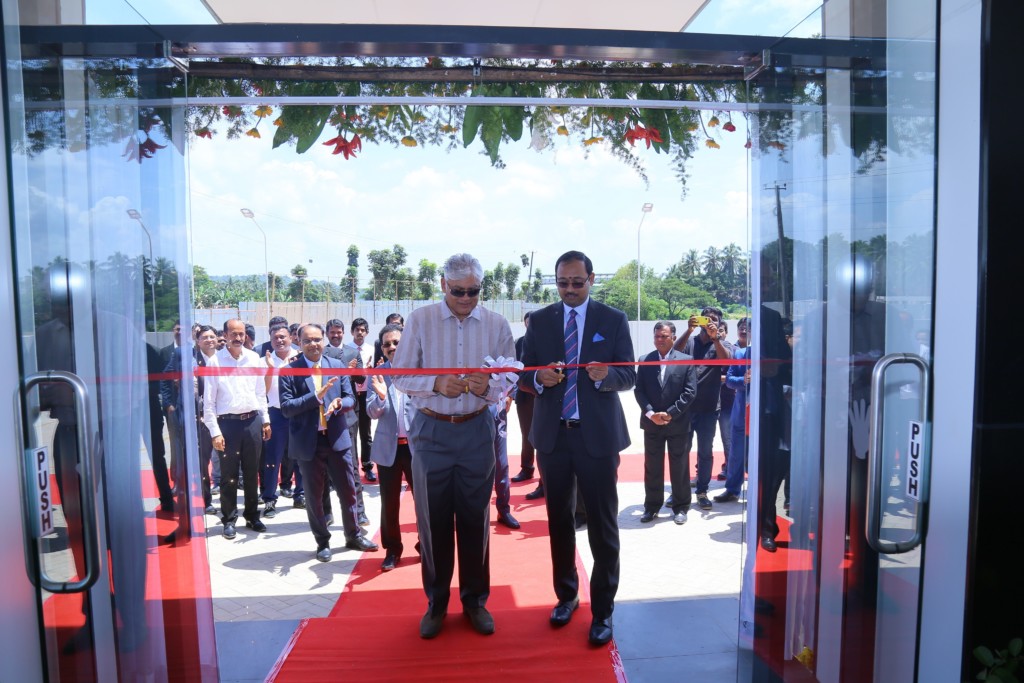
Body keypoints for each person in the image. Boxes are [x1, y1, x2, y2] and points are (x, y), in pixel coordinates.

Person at [391, 253, 514, 640]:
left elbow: (510, 375)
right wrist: (434, 383)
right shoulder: (420, 319)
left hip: (477, 429)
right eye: (458, 290)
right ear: (443, 285)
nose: (465, 298)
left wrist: (490, 387)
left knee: (476, 520)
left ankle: (475, 601)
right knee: (433, 519)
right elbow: (400, 375)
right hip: (431, 431)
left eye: (473, 291)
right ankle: (437, 602)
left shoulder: (496, 324)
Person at [518, 250, 635, 647]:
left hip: (598, 438)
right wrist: (540, 379)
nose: (569, 290)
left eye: (577, 282)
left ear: (591, 279)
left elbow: (629, 373)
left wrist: (607, 377)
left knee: (603, 526)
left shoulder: (613, 319)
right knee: (559, 521)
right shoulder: (542, 321)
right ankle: (566, 596)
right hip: (554, 437)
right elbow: (525, 372)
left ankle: (603, 610)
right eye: (562, 283)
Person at [279, 323, 378, 562]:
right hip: (308, 443)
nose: (313, 344)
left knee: (348, 490)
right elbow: (287, 408)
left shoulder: (337, 366)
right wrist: (316, 397)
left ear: (323, 340)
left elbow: (350, 399)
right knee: (314, 496)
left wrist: (338, 404)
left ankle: (353, 535)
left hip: (337, 438)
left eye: (317, 339)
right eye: (307, 341)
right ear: (299, 343)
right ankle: (322, 542)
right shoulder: (289, 371)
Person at [202, 319, 272, 539]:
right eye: (233, 333)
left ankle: (252, 516)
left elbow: (261, 393)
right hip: (227, 424)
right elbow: (209, 403)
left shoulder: (254, 359)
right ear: (225, 334)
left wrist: (266, 420)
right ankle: (229, 519)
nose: (238, 338)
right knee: (228, 475)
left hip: (252, 422)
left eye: (241, 334)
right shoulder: (215, 362)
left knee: (252, 472)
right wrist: (215, 432)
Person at [634, 321, 697, 524]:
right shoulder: (645, 360)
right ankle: (651, 507)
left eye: (664, 336)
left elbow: (690, 392)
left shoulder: (686, 360)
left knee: (679, 466)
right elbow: (639, 391)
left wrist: (670, 413)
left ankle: (681, 507)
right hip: (652, 423)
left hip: (677, 423)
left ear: (673, 337)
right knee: (652, 466)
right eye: (657, 336)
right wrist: (651, 412)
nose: (660, 340)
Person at [672, 306, 732, 511]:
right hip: (685, 408)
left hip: (708, 408)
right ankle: (679, 491)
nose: (708, 322)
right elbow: (674, 354)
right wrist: (688, 330)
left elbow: (727, 362)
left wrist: (716, 339)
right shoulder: (689, 342)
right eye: (705, 318)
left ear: (719, 323)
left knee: (705, 452)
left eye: (713, 319)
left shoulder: (721, 345)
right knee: (681, 451)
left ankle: (702, 491)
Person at [367, 323, 414, 571]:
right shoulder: (377, 374)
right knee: (389, 504)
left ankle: (426, 544)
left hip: (418, 448)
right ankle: (393, 550)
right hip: (389, 449)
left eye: (396, 342)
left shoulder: (420, 370)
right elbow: (371, 412)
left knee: (425, 502)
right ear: (382, 349)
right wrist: (382, 397)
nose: (392, 347)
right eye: (387, 344)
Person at [323, 317, 371, 526]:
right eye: (332, 332)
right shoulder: (321, 353)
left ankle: (359, 511)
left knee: (352, 466)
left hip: (348, 414)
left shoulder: (353, 353)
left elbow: (360, 380)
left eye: (339, 332)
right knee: (323, 468)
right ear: (327, 334)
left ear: (344, 333)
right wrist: (344, 368)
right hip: (325, 416)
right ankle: (326, 512)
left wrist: (355, 372)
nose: (335, 335)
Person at [260, 323, 297, 519]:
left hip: (298, 413)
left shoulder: (300, 357)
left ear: (291, 337)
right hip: (275, 414)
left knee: (300, 457)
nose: (280, 341)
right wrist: (270, 369)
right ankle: (269, 499)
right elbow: (262, 392)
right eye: (276, 338)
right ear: (271, 340)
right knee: (272, 459)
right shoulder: (264, 361)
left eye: (283, 337)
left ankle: (300, 495)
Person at [717, 317, 750, 504]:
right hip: (740, 411)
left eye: (748, 328)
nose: (744, 330)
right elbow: (729, 381)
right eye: (741, 328)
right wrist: (743, 381)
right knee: (736, 452)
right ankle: (732, 490)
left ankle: (757, 491)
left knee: (756, 454)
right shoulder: (739, 354)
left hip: (761, 413)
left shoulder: (765, 353)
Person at [347, 317, 377, 482]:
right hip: (351, 395)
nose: (360, 332)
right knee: (352, 433)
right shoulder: (346, 350)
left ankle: (367, 466)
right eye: (357, 329)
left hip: (366, 394)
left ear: (367, 332)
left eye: (363, 330)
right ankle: (352, 468)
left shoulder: (372, 350)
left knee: (366, 433)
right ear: (352, 332)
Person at [512, 311, 538, 487]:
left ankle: (545, 479)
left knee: (544, 436)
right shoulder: (520, 342)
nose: (530, 325)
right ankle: (526, 468)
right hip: (524, 395)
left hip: (544, 394)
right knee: (526, 433)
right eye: (528, 322)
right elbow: (513, 369)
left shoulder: (547, 340)